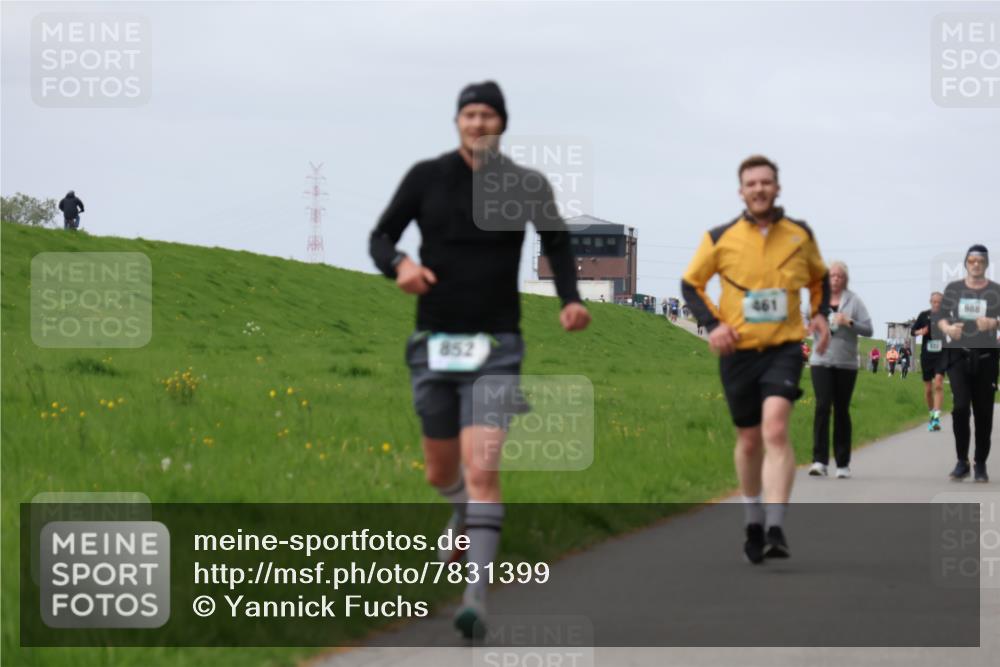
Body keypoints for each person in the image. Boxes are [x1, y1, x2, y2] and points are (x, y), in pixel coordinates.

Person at [369, 81, 590, 638]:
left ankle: (475, 600)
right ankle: (461, 510)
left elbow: (557, 242)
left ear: (501, 124)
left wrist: (570, 299)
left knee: (483, 468)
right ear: (457, 122)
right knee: (441, 471)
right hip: (434, 339)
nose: (477, 123)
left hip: (497, 343)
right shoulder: (426, 177)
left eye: (487, 114)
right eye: (469, 114)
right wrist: (400, 266)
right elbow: (381, 235)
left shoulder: (524, 183)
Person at [681, 154, 830, 564]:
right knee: (749, 440)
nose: (760, 189)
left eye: (766, 182)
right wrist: (712, 325)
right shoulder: (719, 237)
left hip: (783, 348)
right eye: (752, 184)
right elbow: (691, 283)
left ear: (777, 187)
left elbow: (818, 279)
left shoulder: (800, 235)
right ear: (741, 191)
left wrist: (819, 314)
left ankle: (777, 525)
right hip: (738, 351)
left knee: (776, 429)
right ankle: (753, 517)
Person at [934, 244, 1000, 483]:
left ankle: (980, 463)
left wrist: (994, 324)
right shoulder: (954, 289)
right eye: (971, 260)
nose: (975, 264)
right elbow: (940, 317)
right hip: (959, 356)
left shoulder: (995, 291)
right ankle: (962, 461)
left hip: (986, 358)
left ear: (986, 264)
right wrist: (949, 328)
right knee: (961, 408)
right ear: (965, 263)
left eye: (980, 261)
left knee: (983, 413)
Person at [807, 261, 873, 479]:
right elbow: (803, 320)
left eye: (839, 276)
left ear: (845, 279)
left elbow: (869, 329)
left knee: (841, 410)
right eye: (831, 275)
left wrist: (849, 322)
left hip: (846, 363)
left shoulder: (854, 301)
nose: (835, 279)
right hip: (820, 360)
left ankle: (843, 464)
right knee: (822, 406)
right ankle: (819, 461)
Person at [912, 293, 947, 431]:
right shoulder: (923, 315)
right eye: (934, 302)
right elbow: (912, 331)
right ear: (930, 302)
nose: (937, 304)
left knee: (938, 384)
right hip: (927, 355)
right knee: (928, 390)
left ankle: (936, 419)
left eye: (939, 302)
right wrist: (921, 331)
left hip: (942, 354)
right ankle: (931, 415)